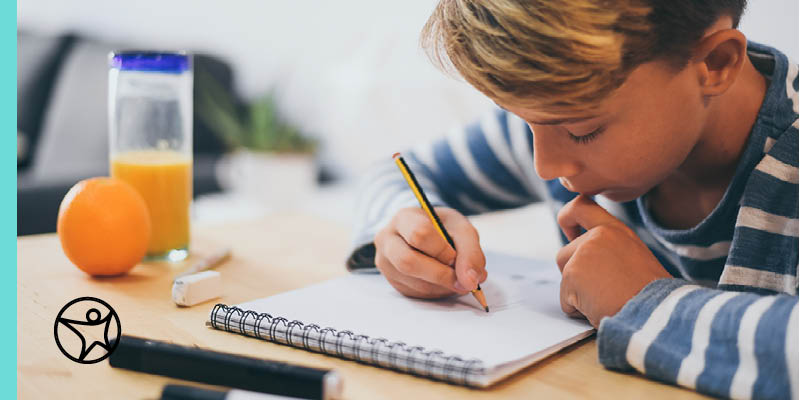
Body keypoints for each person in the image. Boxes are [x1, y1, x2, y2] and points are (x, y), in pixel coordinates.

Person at [347, 1, 798, 398]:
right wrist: (407, 231)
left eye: (583, 130)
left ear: (715, 63)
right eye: (525, 123)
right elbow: (396, 172)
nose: (545, 165)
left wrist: (643, 302)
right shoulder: (558, 110)